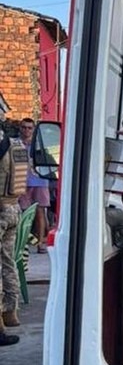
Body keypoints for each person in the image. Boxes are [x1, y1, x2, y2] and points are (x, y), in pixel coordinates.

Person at [0, 115, 28, 345]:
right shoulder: (15, 145)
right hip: (13, 207)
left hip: (0, 209)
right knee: (8, 262)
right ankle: (11, 312)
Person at [18, 118, 50, 254]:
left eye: (29, 128)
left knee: (40, 212)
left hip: (39, 181)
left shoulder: (39, 144)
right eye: (24, 127)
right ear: (20, 128)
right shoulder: (16, 144)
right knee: (23, 213)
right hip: (21, 182)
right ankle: (23, 241)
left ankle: (41, 242)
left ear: (34, 129)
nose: (27, 130)